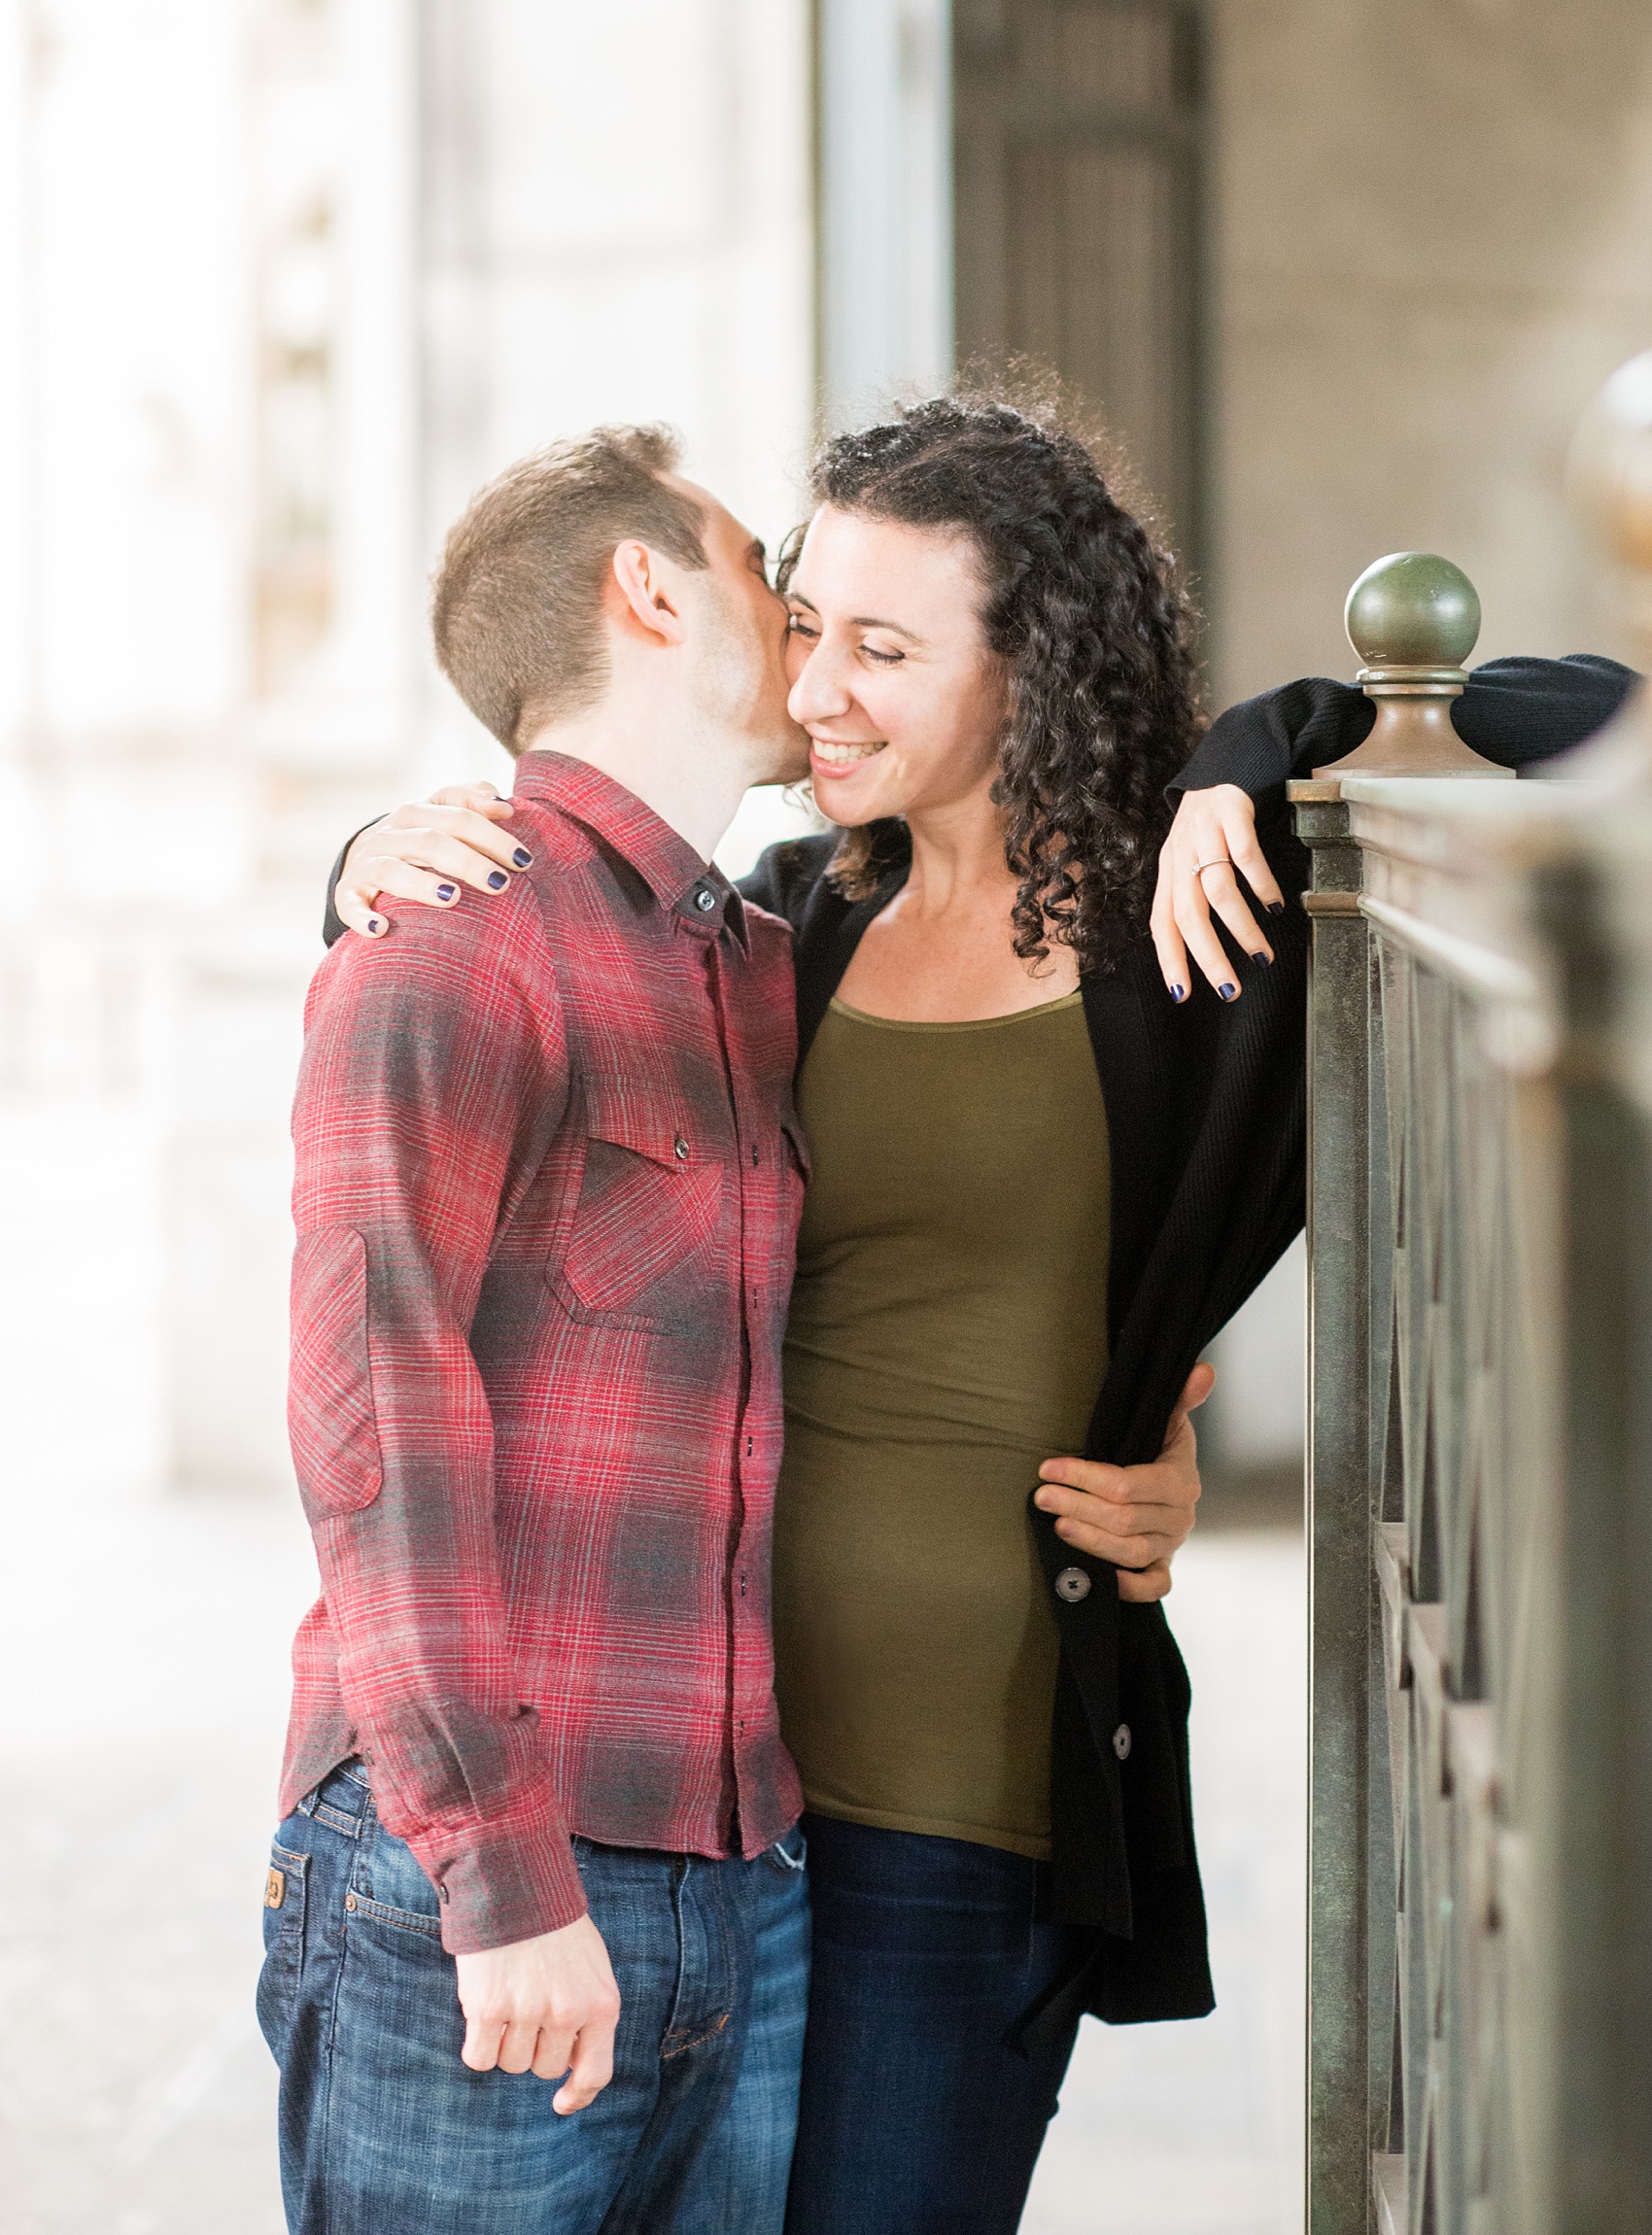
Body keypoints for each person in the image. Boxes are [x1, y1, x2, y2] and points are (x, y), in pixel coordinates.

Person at [327, 393, 1635, 2233]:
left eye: (882, 645)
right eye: (803, 626)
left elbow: (1588, 717)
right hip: (723, 1809)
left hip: (972, 1804)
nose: (820, 686)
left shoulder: (1194, 934)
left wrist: (1273, 742)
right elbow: (513, 999)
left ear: (1032, 669)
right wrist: (370, 862)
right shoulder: (786, 931)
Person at [263, 427, 820, 2235]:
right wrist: (502, 1883)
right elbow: (376, 1437)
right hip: (475, 1883)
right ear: (650, 588)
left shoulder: (752, 958)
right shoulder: (451, 942)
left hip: (739, 1872)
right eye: (758, 560)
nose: (798, 606)